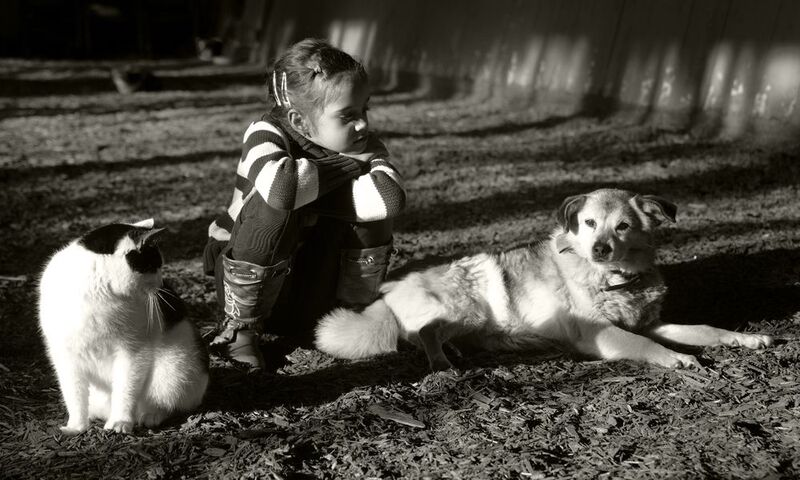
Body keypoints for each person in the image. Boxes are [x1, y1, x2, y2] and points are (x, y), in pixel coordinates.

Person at [203, 38, 406, 371]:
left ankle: (351, 318)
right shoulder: (265, 132)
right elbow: (281, 190)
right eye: (348, 115)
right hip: (256, 286)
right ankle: (238, 332)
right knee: (272, 206)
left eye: (365, 108)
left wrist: (310, 188)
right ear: (298, 121)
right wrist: (350, 165)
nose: (363, 124)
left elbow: (388, 199)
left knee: (371, 210)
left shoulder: (361, 141)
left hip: (318, 283)